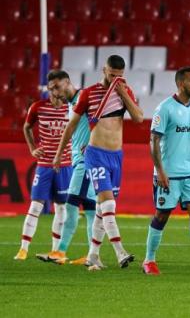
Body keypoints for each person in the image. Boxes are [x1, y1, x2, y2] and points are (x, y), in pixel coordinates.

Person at [53, 54, 143, 270]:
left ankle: (93, 255)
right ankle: (120, 251)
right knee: (108, 204)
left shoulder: (124, 91)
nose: (115, 79)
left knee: (103, 210)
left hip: (116, 156)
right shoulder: (89, 94)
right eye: (112, 75)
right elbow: (71, 125)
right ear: (104, 70)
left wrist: (122, 93)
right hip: (95, 154)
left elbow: (139, 118)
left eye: (119, 76)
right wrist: (58, 154)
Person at [142, 67, 190, 276]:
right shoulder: (164, 108)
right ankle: (149, 260)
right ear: (181, 84)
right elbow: (154, 141)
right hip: (170, 173)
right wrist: (160, 172)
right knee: (162, 215)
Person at [38, 70, 98, 265]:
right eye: (51, 90)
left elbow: (100, 120)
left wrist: (92, 144)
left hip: (84, 162)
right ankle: (93, 257)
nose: (54, 93)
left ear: (68, 82)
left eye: (57, 87)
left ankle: (60, 251)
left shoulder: (83, 98)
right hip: (83, 162)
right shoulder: (72, 104)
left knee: (71, 206)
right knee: (90, 210)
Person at [14, 81, 72, 261]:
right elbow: (26, 127)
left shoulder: (72, 108)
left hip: (65, 165)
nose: (57, 91)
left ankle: (55, 251)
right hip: (45, 164)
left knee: (61, 208)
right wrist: (32, 148)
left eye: (60, 87)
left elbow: (83, 129)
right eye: (53, 87)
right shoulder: (38, 107)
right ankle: (23, 249)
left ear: (66, 86)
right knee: (35, 205)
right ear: (48, 88)